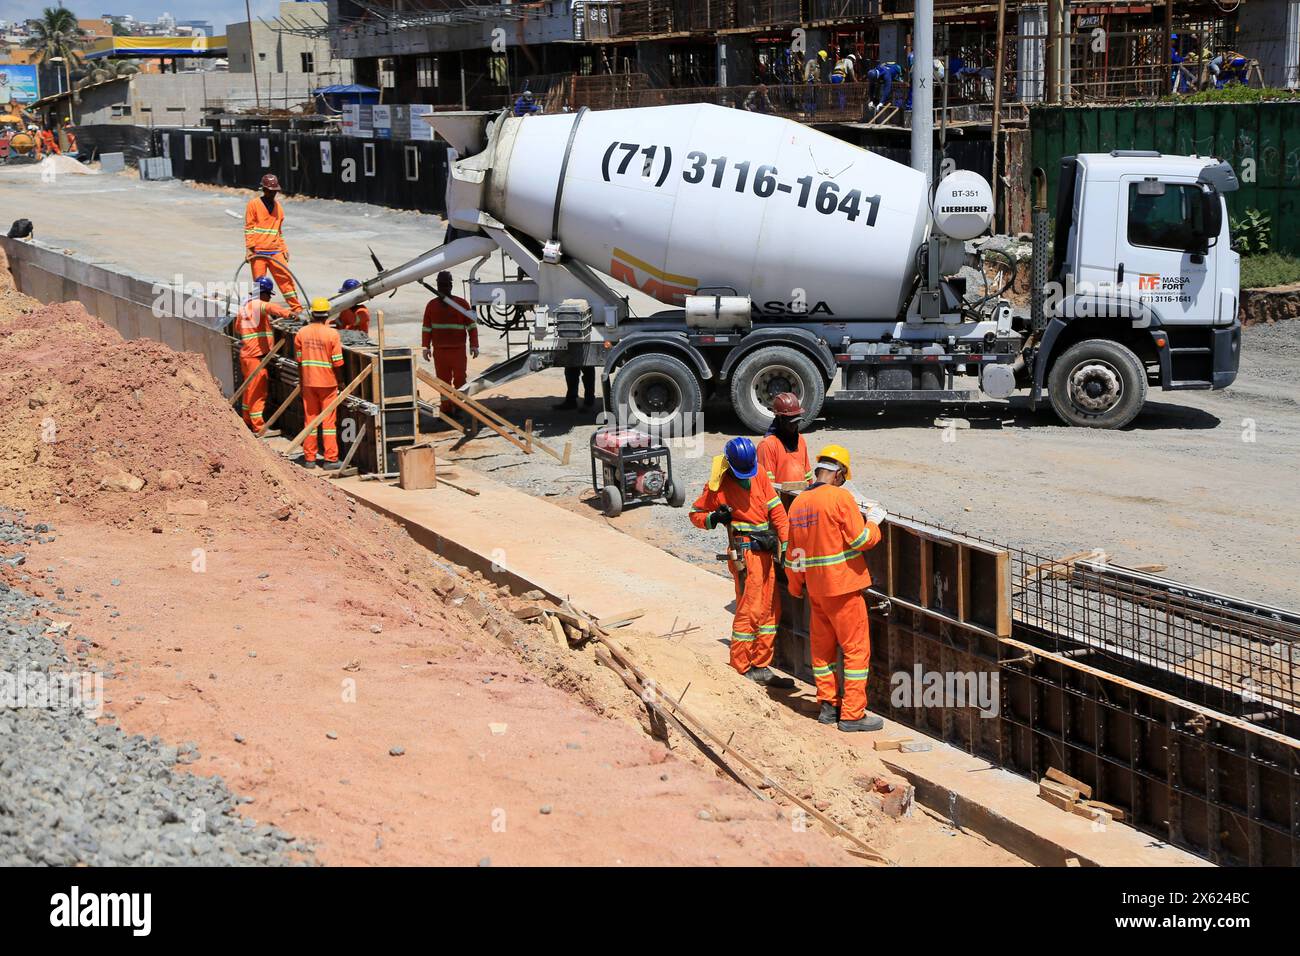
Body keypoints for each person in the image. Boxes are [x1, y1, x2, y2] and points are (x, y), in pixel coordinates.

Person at [784, 445, 887, 732]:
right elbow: (860, 540)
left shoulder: (799, 504)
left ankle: (828, 707)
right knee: (855, 651)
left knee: (822, 650)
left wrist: (795, 587)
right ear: (839, 475)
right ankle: (853, 715)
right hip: (843, 588)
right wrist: (874, 522)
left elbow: (793, 555)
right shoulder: (841, 498)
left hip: (816, 590)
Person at [690, 437, 794, 687]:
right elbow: (695, 514)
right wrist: (714, 517)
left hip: (766, 551)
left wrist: (786, 545)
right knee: (750, 610)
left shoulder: (758, 475)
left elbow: (778, 512)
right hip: (745, 553)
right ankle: (741, 666)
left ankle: (761, 665)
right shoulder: (718, 484)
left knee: (770, 609)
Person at [231, 276, 292, 433]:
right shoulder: (258, 304)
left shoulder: (244, 308)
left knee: (249, 389)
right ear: (263, 293)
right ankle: (258, 426)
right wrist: (289, 314)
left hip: (247, 355)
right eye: (268, 295)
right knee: (258, 392)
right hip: (255, 357)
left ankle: (246, 420)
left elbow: (238, 328)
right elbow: (271, 308)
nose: (268, 298)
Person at [294, 298, 345, 469]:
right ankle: (330, 459)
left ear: (312, 313)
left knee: (310, 420)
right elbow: (338, 363)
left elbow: (299, 362)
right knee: (328, 423)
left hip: (308, 382)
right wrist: (341, 381)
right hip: (328, 383)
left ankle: (309, 458)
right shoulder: (332, 334)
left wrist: (302, 381)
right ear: (327, 314)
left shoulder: (302, 333)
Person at [421, 271, 478, 416]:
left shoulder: (461, 304)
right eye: (441, 285)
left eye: (446, 285)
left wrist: (474, 345)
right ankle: (446, 410)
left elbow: (471, 326)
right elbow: (426, 328)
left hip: (458, 350)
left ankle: (459, 407)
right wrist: (425, 347)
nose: (443, 288)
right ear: (437, 286)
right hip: (440, 351)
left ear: (451, 285)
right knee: (443, 382)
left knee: (460, 379)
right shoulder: (431, 306)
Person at [244, 173, 303, 313]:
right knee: (260, 284)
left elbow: (279, 231)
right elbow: (249, 228)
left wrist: (283, 248)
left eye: (275, 191)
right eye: (270, 191)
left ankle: (296, 307)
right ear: (264, 190)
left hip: (275, 251)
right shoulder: (254, 204)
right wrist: (249, 249)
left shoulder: (279, 208)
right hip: (258, 252)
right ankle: (260, 310)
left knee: (286, 280)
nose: (273, 194)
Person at [757, 393, 813, 486]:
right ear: (780, 419)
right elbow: (767, 485)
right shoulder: (767, 445)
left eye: (797, 421)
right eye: (791, 423)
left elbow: (807, 475)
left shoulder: (800, 440)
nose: (795, 426)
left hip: (800, 498)